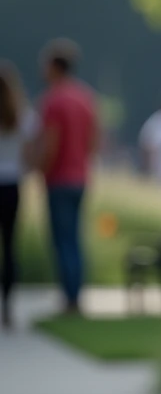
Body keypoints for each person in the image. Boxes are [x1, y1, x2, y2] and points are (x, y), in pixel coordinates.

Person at [34, 40, 98, 315]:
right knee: (74, 238)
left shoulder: (53, 100)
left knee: (62, 240)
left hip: (59, 179)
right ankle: (76, 293)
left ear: (54, 67)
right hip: (80, 177)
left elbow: (51, 143)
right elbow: (94, 140)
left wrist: (39, 169)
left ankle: (69, 298)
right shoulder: (85, 98)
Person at [0, 62, 39, 329]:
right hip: (11, 184)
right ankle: (7, 308)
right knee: (9, 246)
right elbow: (29, 156)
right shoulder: (22, 116)